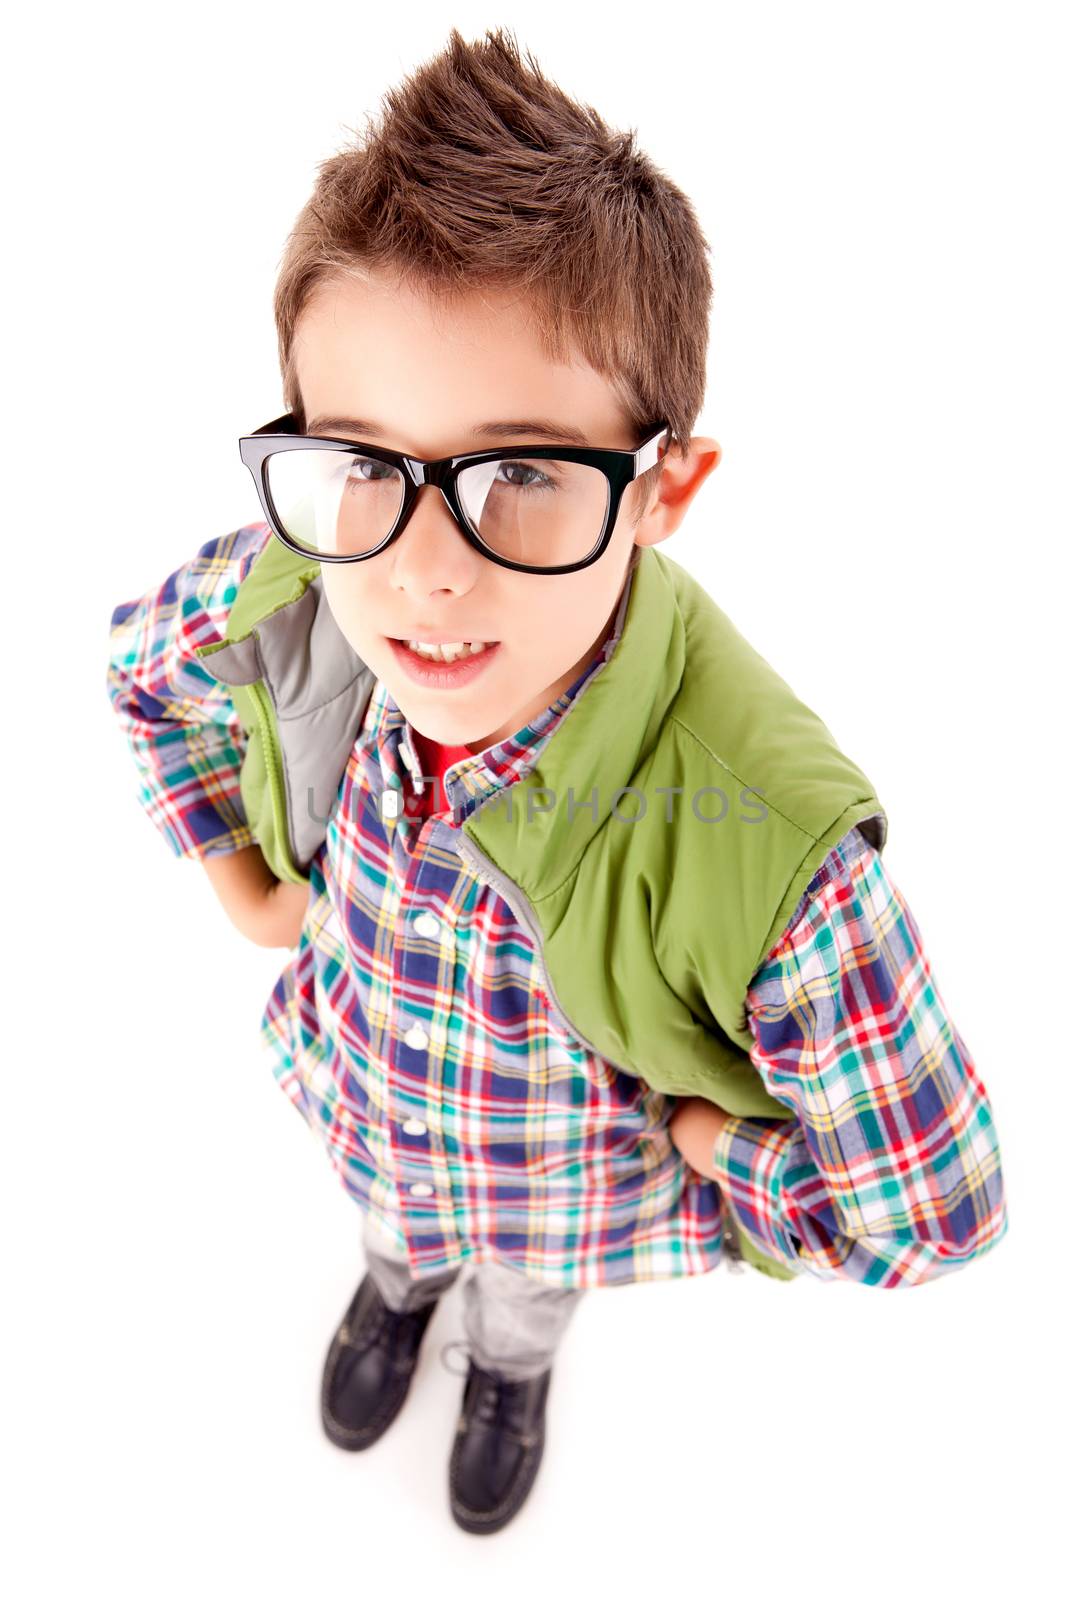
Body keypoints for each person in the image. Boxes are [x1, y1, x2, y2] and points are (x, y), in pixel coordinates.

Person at [104, 26, 1008, 1537]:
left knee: (523, 1294)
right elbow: (143, 668)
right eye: (366, 463)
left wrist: (724, 1151)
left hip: (558, 1187)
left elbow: (934, 1209)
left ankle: (507, 1370)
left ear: (662, 488)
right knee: (393, 1228)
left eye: (521, 472)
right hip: (371, 1092)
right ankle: (397, 1294)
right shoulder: (302, 573)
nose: (422, 570)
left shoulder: (779, 854)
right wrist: (245, 889)